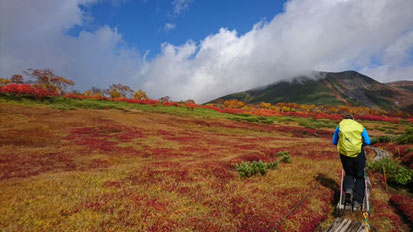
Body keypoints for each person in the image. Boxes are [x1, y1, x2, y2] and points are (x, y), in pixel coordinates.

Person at [332, 114, 371, 208]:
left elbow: (334, 142)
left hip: (345, 155)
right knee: (360, 176)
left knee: (349, 173)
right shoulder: (359, 126)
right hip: (358, 154)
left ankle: (348, 190)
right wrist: (360, 145)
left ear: (344, 119)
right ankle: (357, 201)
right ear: (353, 119)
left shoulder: (339, 127)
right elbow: (368, 142)